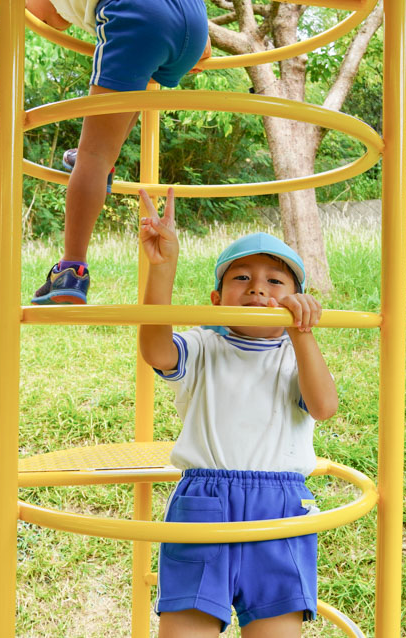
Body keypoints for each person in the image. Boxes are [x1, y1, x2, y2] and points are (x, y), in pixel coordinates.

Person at [137, 189, 338, 637]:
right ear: (216, 298)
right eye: (242, 278)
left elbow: (324, 407)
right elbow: (155, 349)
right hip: (203, 501)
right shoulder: (204, 346)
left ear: (296, 299)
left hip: (281, 506)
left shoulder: (296, 356)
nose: (258, 289)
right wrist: (162, 267)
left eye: (275, 282)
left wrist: (302, 333)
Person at [22, 0, 211, 305]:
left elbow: (48, 17)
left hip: (137, 15)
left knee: (91, 156)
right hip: (194, 26)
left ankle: (72, 269)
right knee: (130, 93)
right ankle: (104, 167)